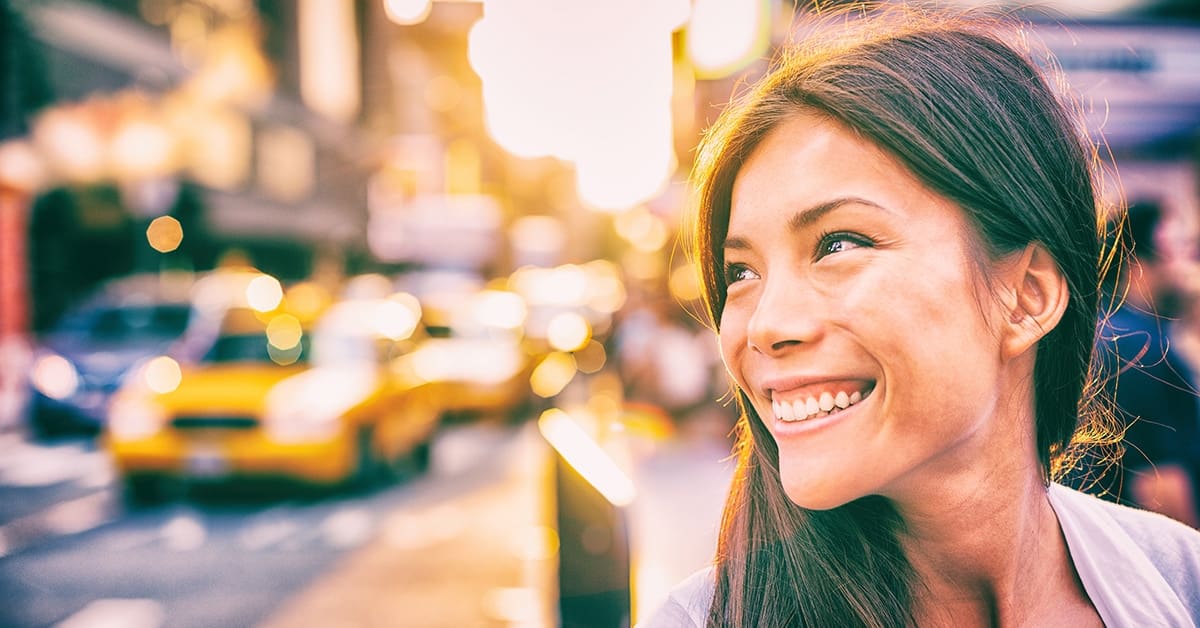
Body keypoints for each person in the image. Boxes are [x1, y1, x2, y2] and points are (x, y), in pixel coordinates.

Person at [638, 7, 1200, 627]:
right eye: (742, 273)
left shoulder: (1178, 580)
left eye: (839, 244)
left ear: (1027, 297)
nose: (765, 325)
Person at [1083, 201, 1200, 526]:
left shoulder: (1101, 328)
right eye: (1179, 252)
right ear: (1141, 262)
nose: (1189, 268)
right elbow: (1160, 484)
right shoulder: (1144, 348)